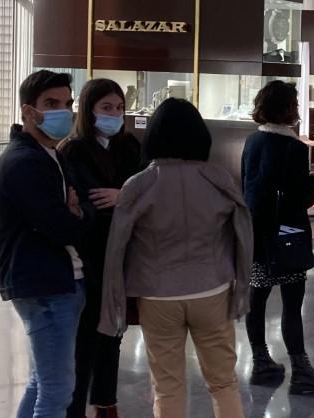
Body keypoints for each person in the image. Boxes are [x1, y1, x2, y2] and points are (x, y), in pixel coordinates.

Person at [99, 98, 253, 418]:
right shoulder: (218, 179)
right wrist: (241, 287)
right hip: (212, 289)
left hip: (156, 294)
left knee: (167, 386)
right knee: (223, 383)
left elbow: (117, 248)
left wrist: (114, 300)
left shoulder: (138, 185)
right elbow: (242, 234)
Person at [0, 70, 89, 418]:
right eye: (51, 104)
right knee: (56, 391)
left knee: (41, 383)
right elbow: (61, 227)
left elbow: (74, 212)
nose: (63, 112)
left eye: (67, 104)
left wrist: (74, 213)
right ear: (27, 111)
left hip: (56, 280)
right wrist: (75, 215)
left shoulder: (50, 154)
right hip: (44, 285)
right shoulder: (23, 163)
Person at [240, 81, 314, 395]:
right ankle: (301, 369)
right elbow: (299, 199)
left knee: (258, 299)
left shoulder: (253, 141)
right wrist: (311, 183)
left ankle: (260, 360)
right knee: (292, 304)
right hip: (288, 235)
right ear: (286, 108)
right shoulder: (295, 148)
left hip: (257, 235)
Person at [59, 78, 145, 418]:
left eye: (119, 108)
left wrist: (122, 198)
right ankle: (75, 407)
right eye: (106, 108)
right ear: (89, 110)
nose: (114, 114)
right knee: (85, 336)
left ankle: (105, 402)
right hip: (89, 255)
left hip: (122, 251)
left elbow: (141, 191)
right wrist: (117, 199)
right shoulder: (73, 150)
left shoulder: (129, 147)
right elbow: (86, 199)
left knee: (113, 330)